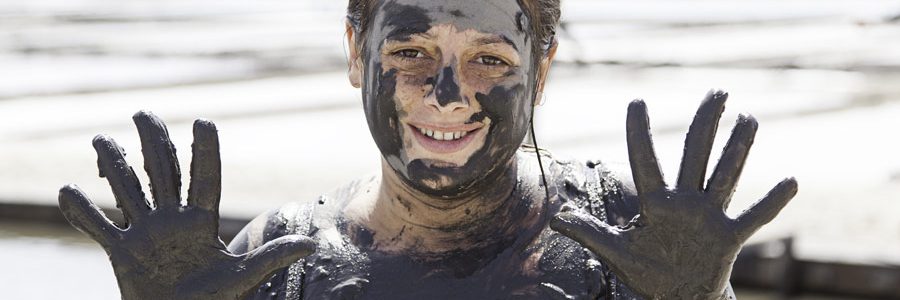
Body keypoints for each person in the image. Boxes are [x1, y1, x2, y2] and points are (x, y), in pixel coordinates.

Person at [57, 0, 798, 299]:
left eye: (490, 60)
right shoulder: (282, 263)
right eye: (410, 52)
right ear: (356, 50)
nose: (447, 96)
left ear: (540, 68)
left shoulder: (629, 242)